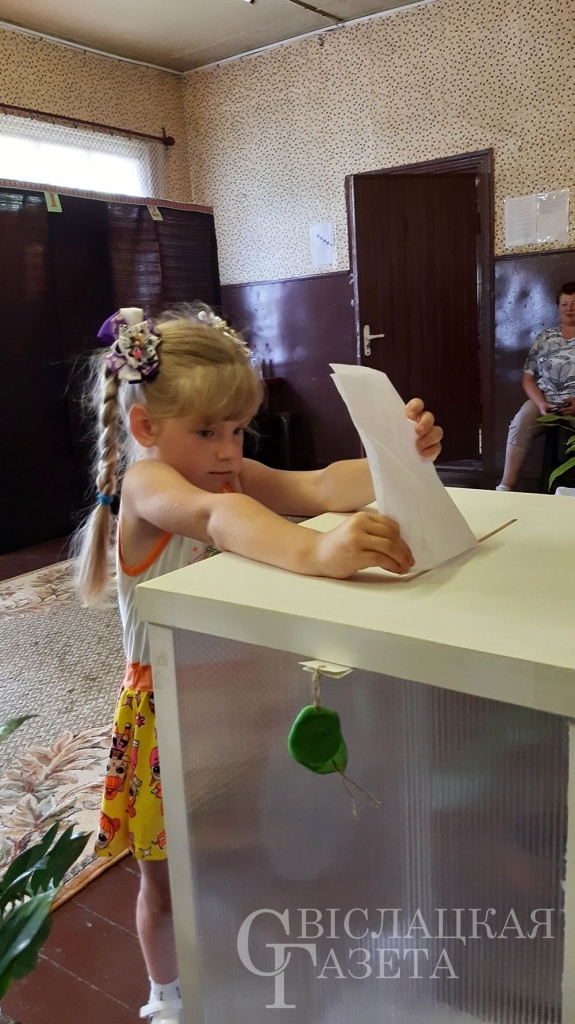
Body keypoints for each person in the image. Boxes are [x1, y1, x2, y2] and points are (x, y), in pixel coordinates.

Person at [73, 303, 443, 1024]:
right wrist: (315, 550)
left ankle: (250, 973)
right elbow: (219, 520)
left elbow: (319, 486)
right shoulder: (149, 485)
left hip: (236, 708)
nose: (228, 450)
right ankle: (166, 995)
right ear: (146, 428)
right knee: (166, 883)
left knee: (239, 857)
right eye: (208, 431)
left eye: (238, 430)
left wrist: (401, 454)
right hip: (168, 719)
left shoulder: (226, 473)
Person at [496, 282, 575, 491]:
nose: (569, 308)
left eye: (574, 304)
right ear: (558, 307)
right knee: (520, 422)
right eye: (565, 304)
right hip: (545, 401)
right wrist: (540, 404)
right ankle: (506, 486)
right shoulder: (545, 337)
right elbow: (528, 377)